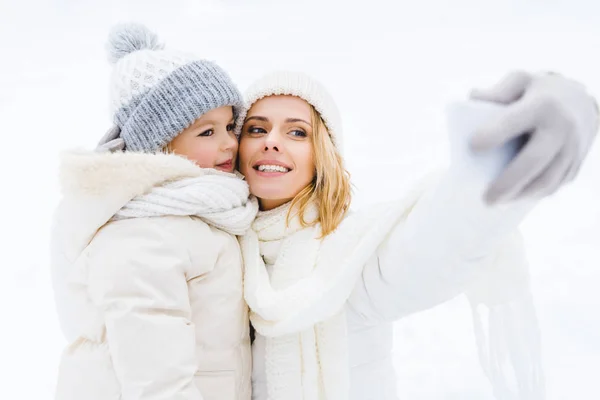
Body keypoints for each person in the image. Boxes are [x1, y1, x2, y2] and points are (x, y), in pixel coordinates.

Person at [235, 70, 598, 400]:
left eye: (297, 131)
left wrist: (507, 153)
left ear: (323, 156)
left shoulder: (348, 257)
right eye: (256, 128)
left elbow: (439, 242)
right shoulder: (218, 250)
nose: (271, 141)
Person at [50, 23, 257, 400]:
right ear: (160, 144)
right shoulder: (144, 235)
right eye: (206, 132)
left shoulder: (203, 212)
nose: (230, 143)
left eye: (230, 125)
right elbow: (156, 383)